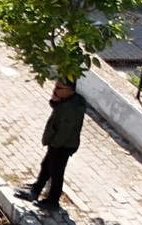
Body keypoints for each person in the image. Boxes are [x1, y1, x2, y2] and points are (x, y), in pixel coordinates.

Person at [14, 77, 89, 209]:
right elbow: (57, 109)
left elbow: (65, 131)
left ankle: (53, 201)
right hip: (57, 143)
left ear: (69, 90)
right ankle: (35, 190)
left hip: (62, 145)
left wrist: (54, 144)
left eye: (59, 88)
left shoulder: (71, 109)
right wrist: (55, 98)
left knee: (56, 172)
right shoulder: (67, 101)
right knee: (46, 166)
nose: (55, 90)